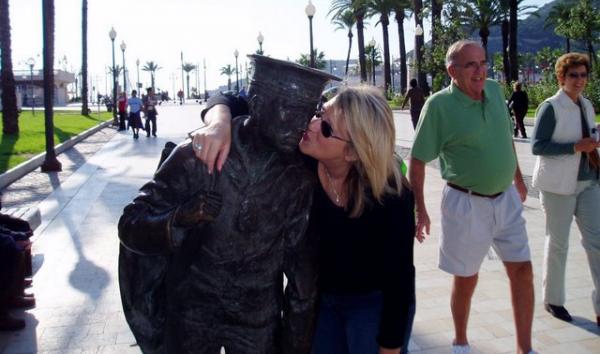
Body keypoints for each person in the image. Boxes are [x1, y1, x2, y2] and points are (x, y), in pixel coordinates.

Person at [118, 55, 336, 354]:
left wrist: (294, 347)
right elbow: (131, 225)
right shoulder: (198, 156)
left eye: (306, 113)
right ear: (257, 102)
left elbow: (303, 280)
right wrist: (179, 218)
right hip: (193, 313)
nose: (300, 124)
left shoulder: (297, 181)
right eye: (289, 111)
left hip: (257, 319)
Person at [196, 86, 416, 354]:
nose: (311, 125)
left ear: (353, 152)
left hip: (373, 303)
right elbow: (232, 99)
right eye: (319, 113)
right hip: (321, 300)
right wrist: (219, 122)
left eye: (326, 128)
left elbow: (399, 280)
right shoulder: (302, 158)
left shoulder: (391, 196)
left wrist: (390, 347)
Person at [408, 40, 536, 354]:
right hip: (465, 204)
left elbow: (504, 138)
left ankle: (525, 348)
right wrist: (419, 209)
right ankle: (461, 342)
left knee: (523, 270)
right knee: (466, 278)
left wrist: (517, 179)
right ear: (452, 71)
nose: (480, 71)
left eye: (483, 63)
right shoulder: (438, 106)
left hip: (505, 199)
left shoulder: (493, 90)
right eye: (471, 65)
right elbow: (417, 159)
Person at [531, 53, 600, 325]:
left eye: (583, 75)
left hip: (589, 182)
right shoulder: (551, 107)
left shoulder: (586, 104)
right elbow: (538, 146)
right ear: (561, 77)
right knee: (558, 243)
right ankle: (554, 300)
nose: (579, 80)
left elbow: (587, 137)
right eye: (573, 75)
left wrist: (592, 143)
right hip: (558, 186)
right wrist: (575, 147)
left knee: (597, 244)